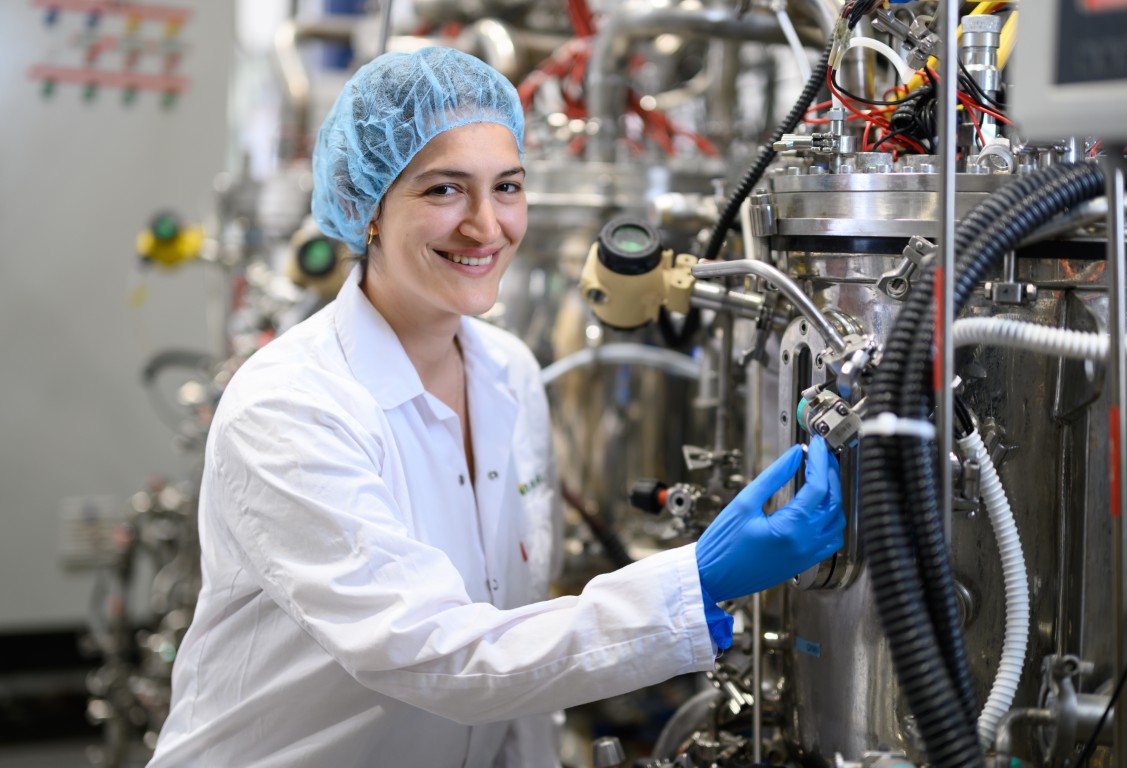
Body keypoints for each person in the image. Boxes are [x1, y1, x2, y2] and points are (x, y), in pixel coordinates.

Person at [147, 46, 844, 767]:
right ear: (370, 209)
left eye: (506, 186)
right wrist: (696, 582)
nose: (487, 226)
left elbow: (511, 635)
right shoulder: (292, 406)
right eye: (444, 190)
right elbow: (432, 655)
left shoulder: (508, 371)